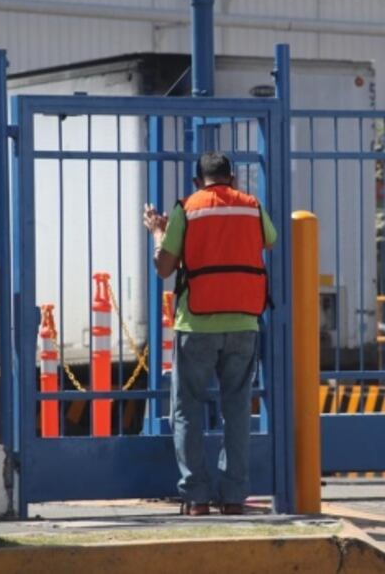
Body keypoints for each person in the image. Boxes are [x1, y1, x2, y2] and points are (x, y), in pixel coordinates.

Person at [142, 151, 276, 516]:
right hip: (244, 321)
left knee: (186, 410)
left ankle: (197, 497)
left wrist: (159, 232)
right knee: (237, 410)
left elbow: (164, 268)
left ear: (197, 181)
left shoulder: (188, 208)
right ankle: (233, 496)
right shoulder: (251, 205)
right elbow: (270, 240)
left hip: (196, 324)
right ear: (232, 178)